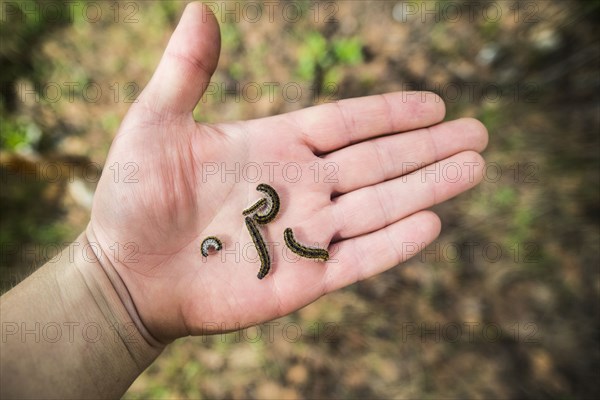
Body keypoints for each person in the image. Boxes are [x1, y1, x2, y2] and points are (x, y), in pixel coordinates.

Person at [0, 2, 488, 398]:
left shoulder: (266, 219)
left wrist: (111, 286)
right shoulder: (257, 220)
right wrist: (112, 284)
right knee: (268, 231)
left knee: (270, 230)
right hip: (259, 222)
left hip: (260, 221)